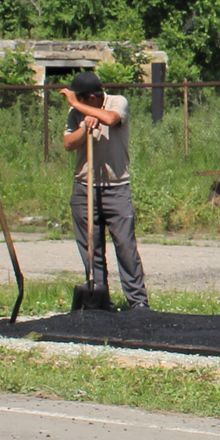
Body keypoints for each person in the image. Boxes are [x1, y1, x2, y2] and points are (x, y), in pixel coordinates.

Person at [62, 71, 148, 310]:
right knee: (91, 248)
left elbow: (110, 119)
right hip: (85, 188)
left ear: (91, 97)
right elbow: (68, 143)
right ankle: (99, 299)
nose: (76, 105)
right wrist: (84, 129)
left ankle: (138, 302)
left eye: (80, 100)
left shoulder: (117, 102)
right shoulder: (76, 113)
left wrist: (81, 107)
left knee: (125, 246)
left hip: (116, 188)